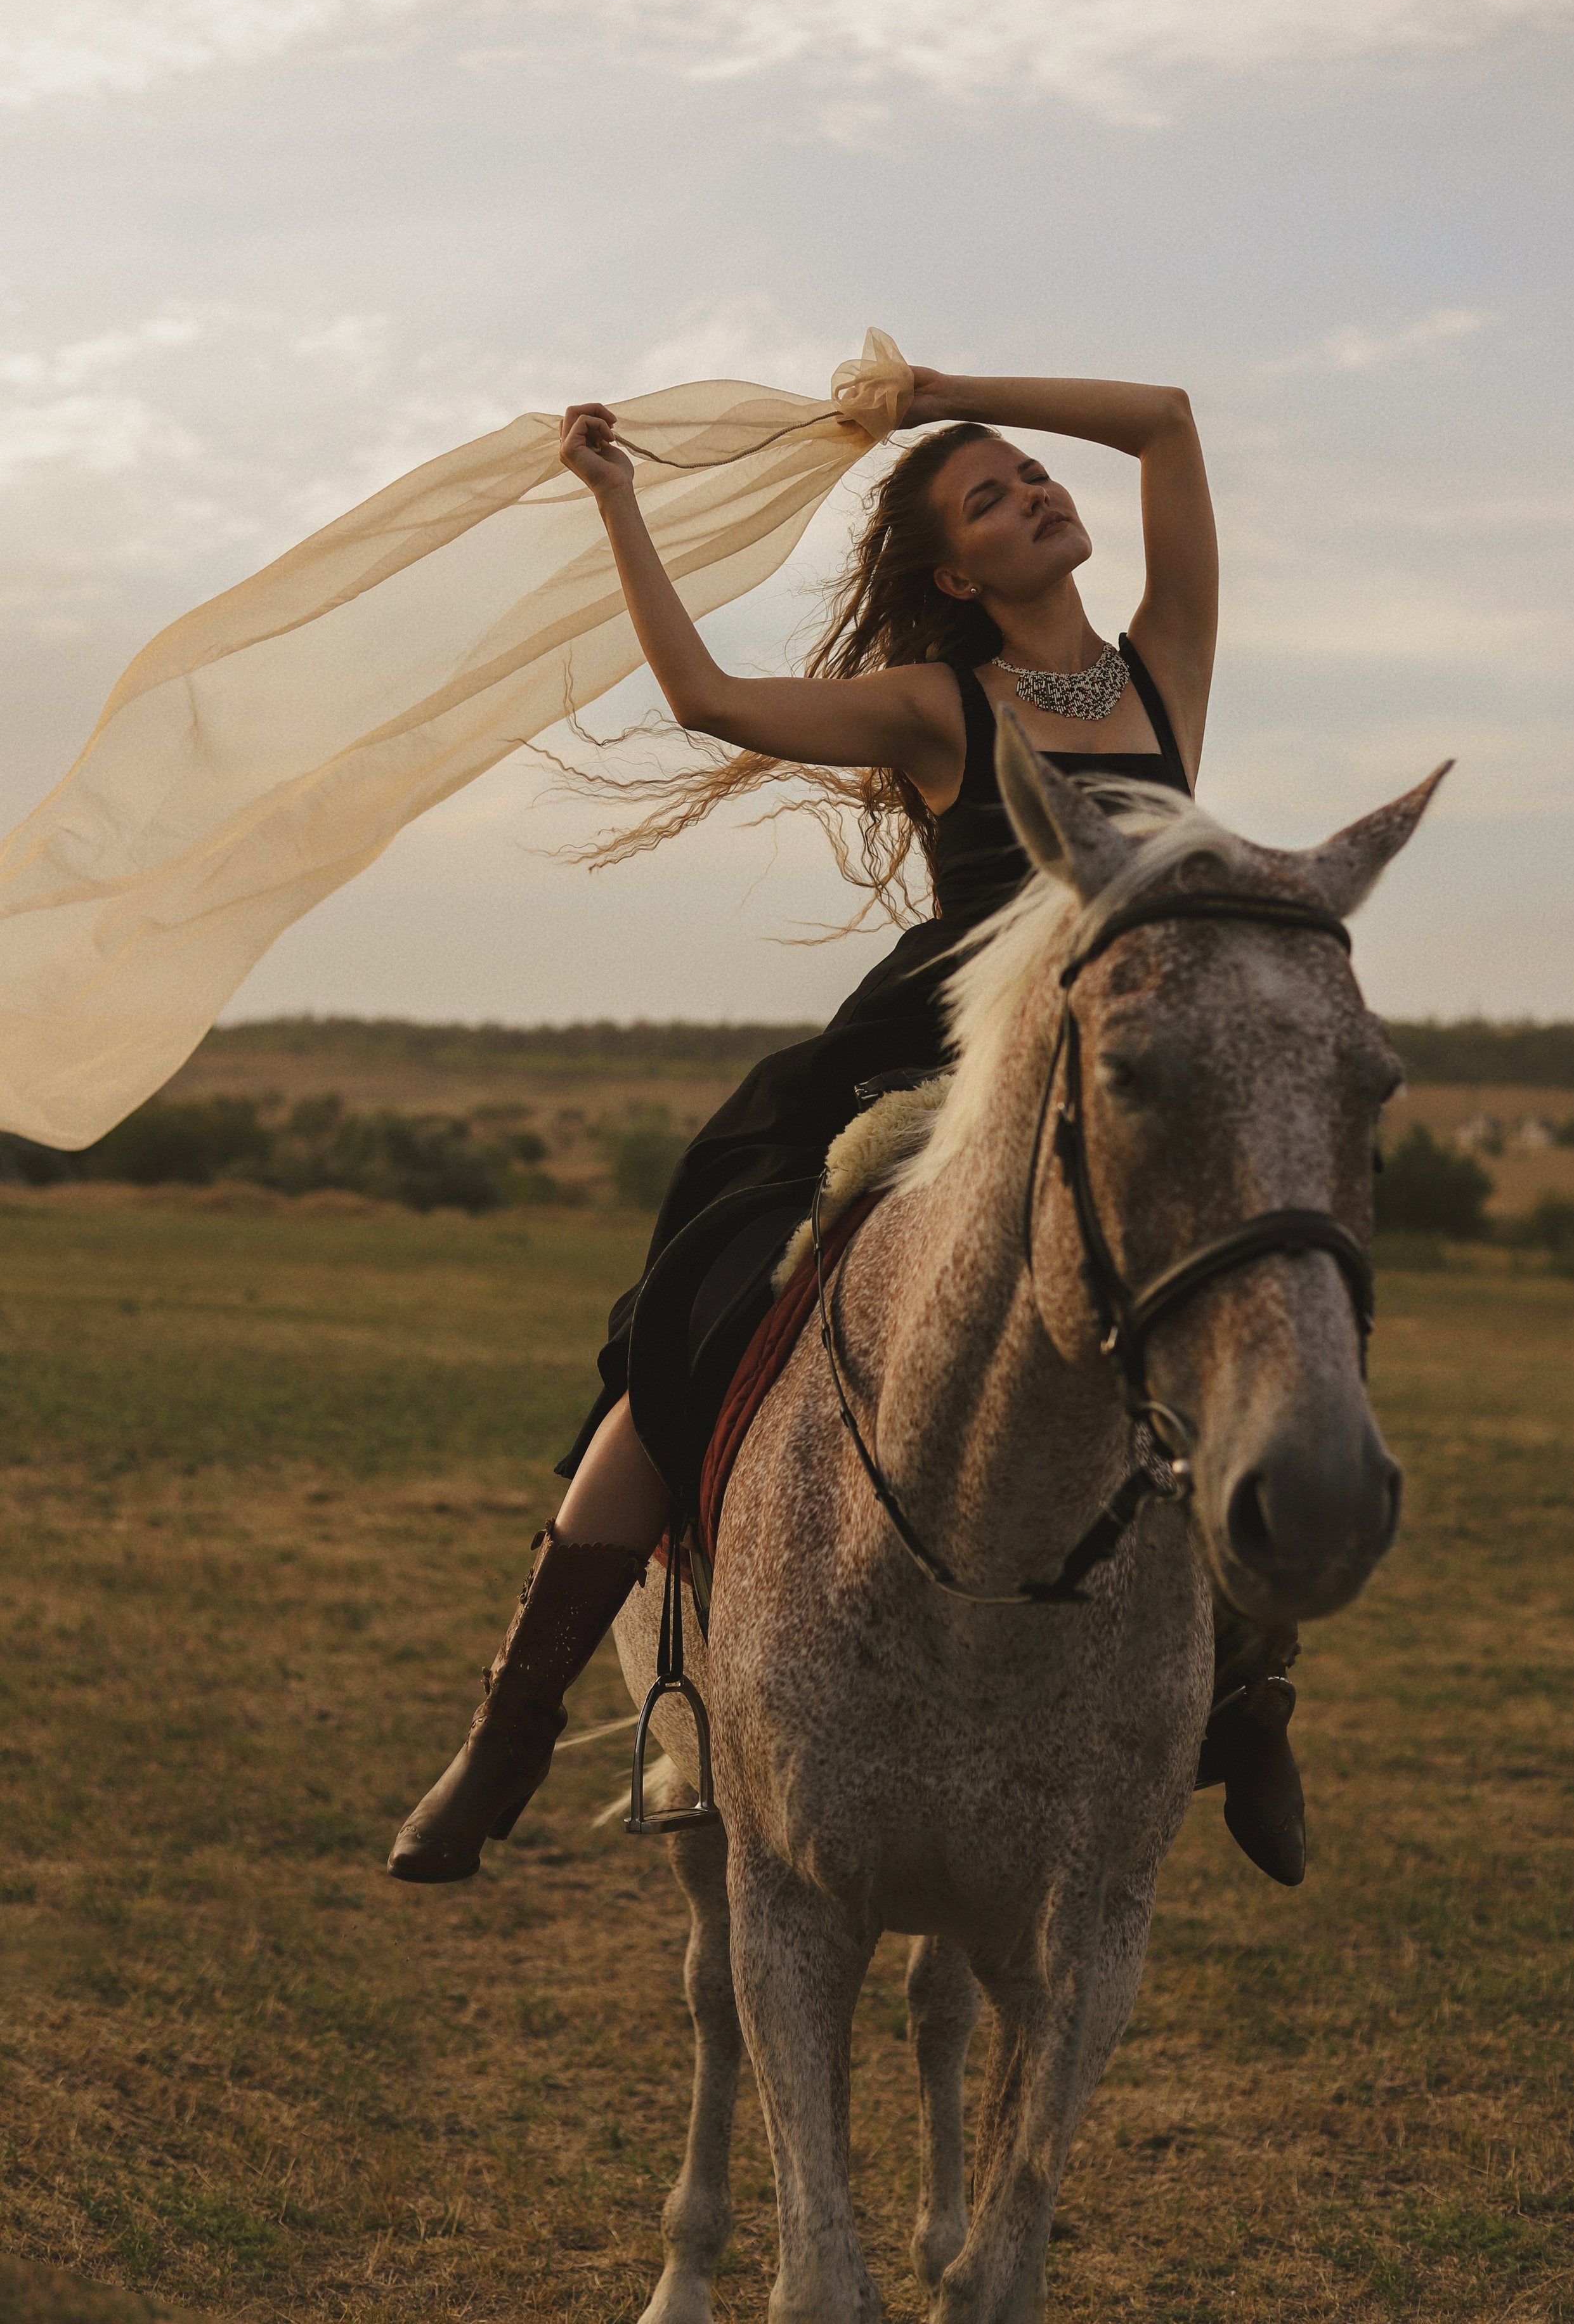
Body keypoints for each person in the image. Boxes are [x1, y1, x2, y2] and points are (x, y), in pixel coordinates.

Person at [387, 365, 1307, 1890]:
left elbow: (1163, 421)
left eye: (1028, 476)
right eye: (991, 496)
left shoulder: (1162, 674)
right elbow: (706, 702)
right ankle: (512, 1723)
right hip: (932, 1064)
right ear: (958, 574)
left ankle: (1249, 1694)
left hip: (1124, 1071)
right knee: (692, 1318)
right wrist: (620, 505)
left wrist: (937, 394)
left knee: (1275, 1296)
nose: (1035, 494)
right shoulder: (937, 702)